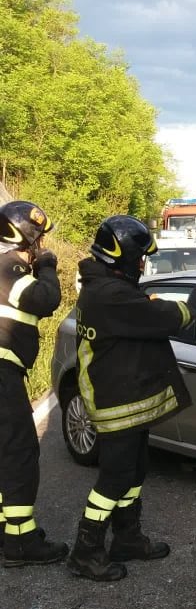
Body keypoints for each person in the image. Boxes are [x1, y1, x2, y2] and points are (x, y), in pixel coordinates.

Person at [67, 215, 194, 582]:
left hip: (126, 398)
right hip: (115, 403)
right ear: (120, 255)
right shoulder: (113, 295)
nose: (142, 265)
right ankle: (85, 551)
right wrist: (176, 306)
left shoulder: (105, 288)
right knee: (114, 478)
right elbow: (171, 317)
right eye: (139, 258)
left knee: (135, 471)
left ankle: (127, 538)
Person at [0, 200, 69, 567]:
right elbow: (45, 299)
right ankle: (21, 541)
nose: (42, 245)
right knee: (20, 454)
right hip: (2, 376)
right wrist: (47, 266)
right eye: (39, 239)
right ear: (27, 238)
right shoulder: (9, 266)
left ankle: (6, 531)